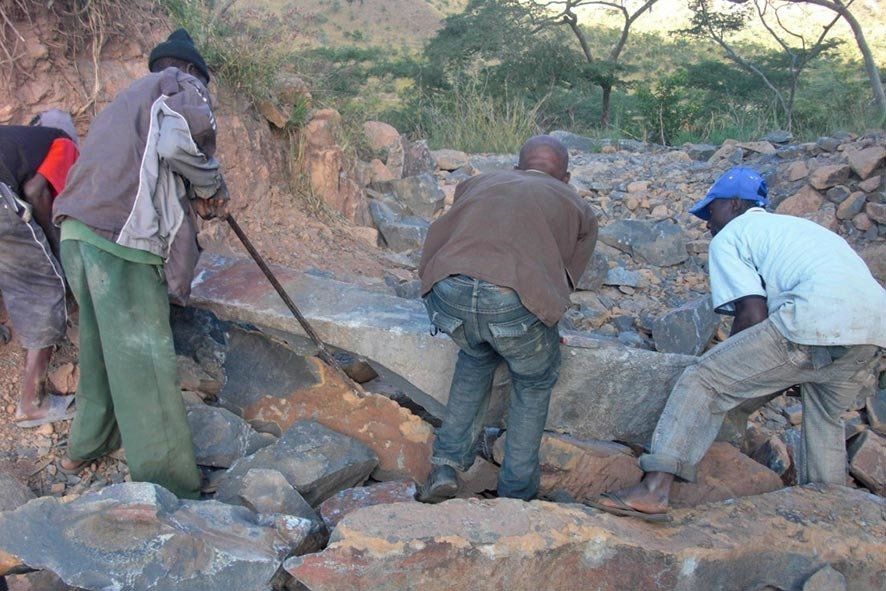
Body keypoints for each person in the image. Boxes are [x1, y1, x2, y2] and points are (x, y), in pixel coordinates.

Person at [591, 166, 885, 521]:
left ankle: (653, 489)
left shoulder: (733, 234)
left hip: (815, 319)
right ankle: (833, 515)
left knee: (704, 378)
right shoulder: (799, 229)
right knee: (825, 417)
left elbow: (751, 314)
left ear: (732, 205)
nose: (706, 222)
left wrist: (728, 368)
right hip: (872, 331)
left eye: (709, 210)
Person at [51, 29, 227, 499]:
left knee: (101, 350)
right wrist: (212, 187)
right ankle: (171, 485)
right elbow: (179, 146)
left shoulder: (128, 98)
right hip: (120, 241)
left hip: (76, 232)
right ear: (191, 69)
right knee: (146, 361)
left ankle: (86, 445)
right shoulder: (180, 85)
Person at [416, 135, 598, 503]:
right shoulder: (576, 205)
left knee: (475, 357)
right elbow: (562, 281)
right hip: (511, 302)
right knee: (533, 381)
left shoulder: (478, 182)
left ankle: (446, 466)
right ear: (565, 177)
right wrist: (543, 324)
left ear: (518, 166)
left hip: (446, 291)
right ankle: (515, 494)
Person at [0, 110, 79, 426]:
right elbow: (36, 192)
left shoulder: (15, 140)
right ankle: (33, 402)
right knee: (42, 285)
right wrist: (58, 253)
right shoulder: (60, 141)